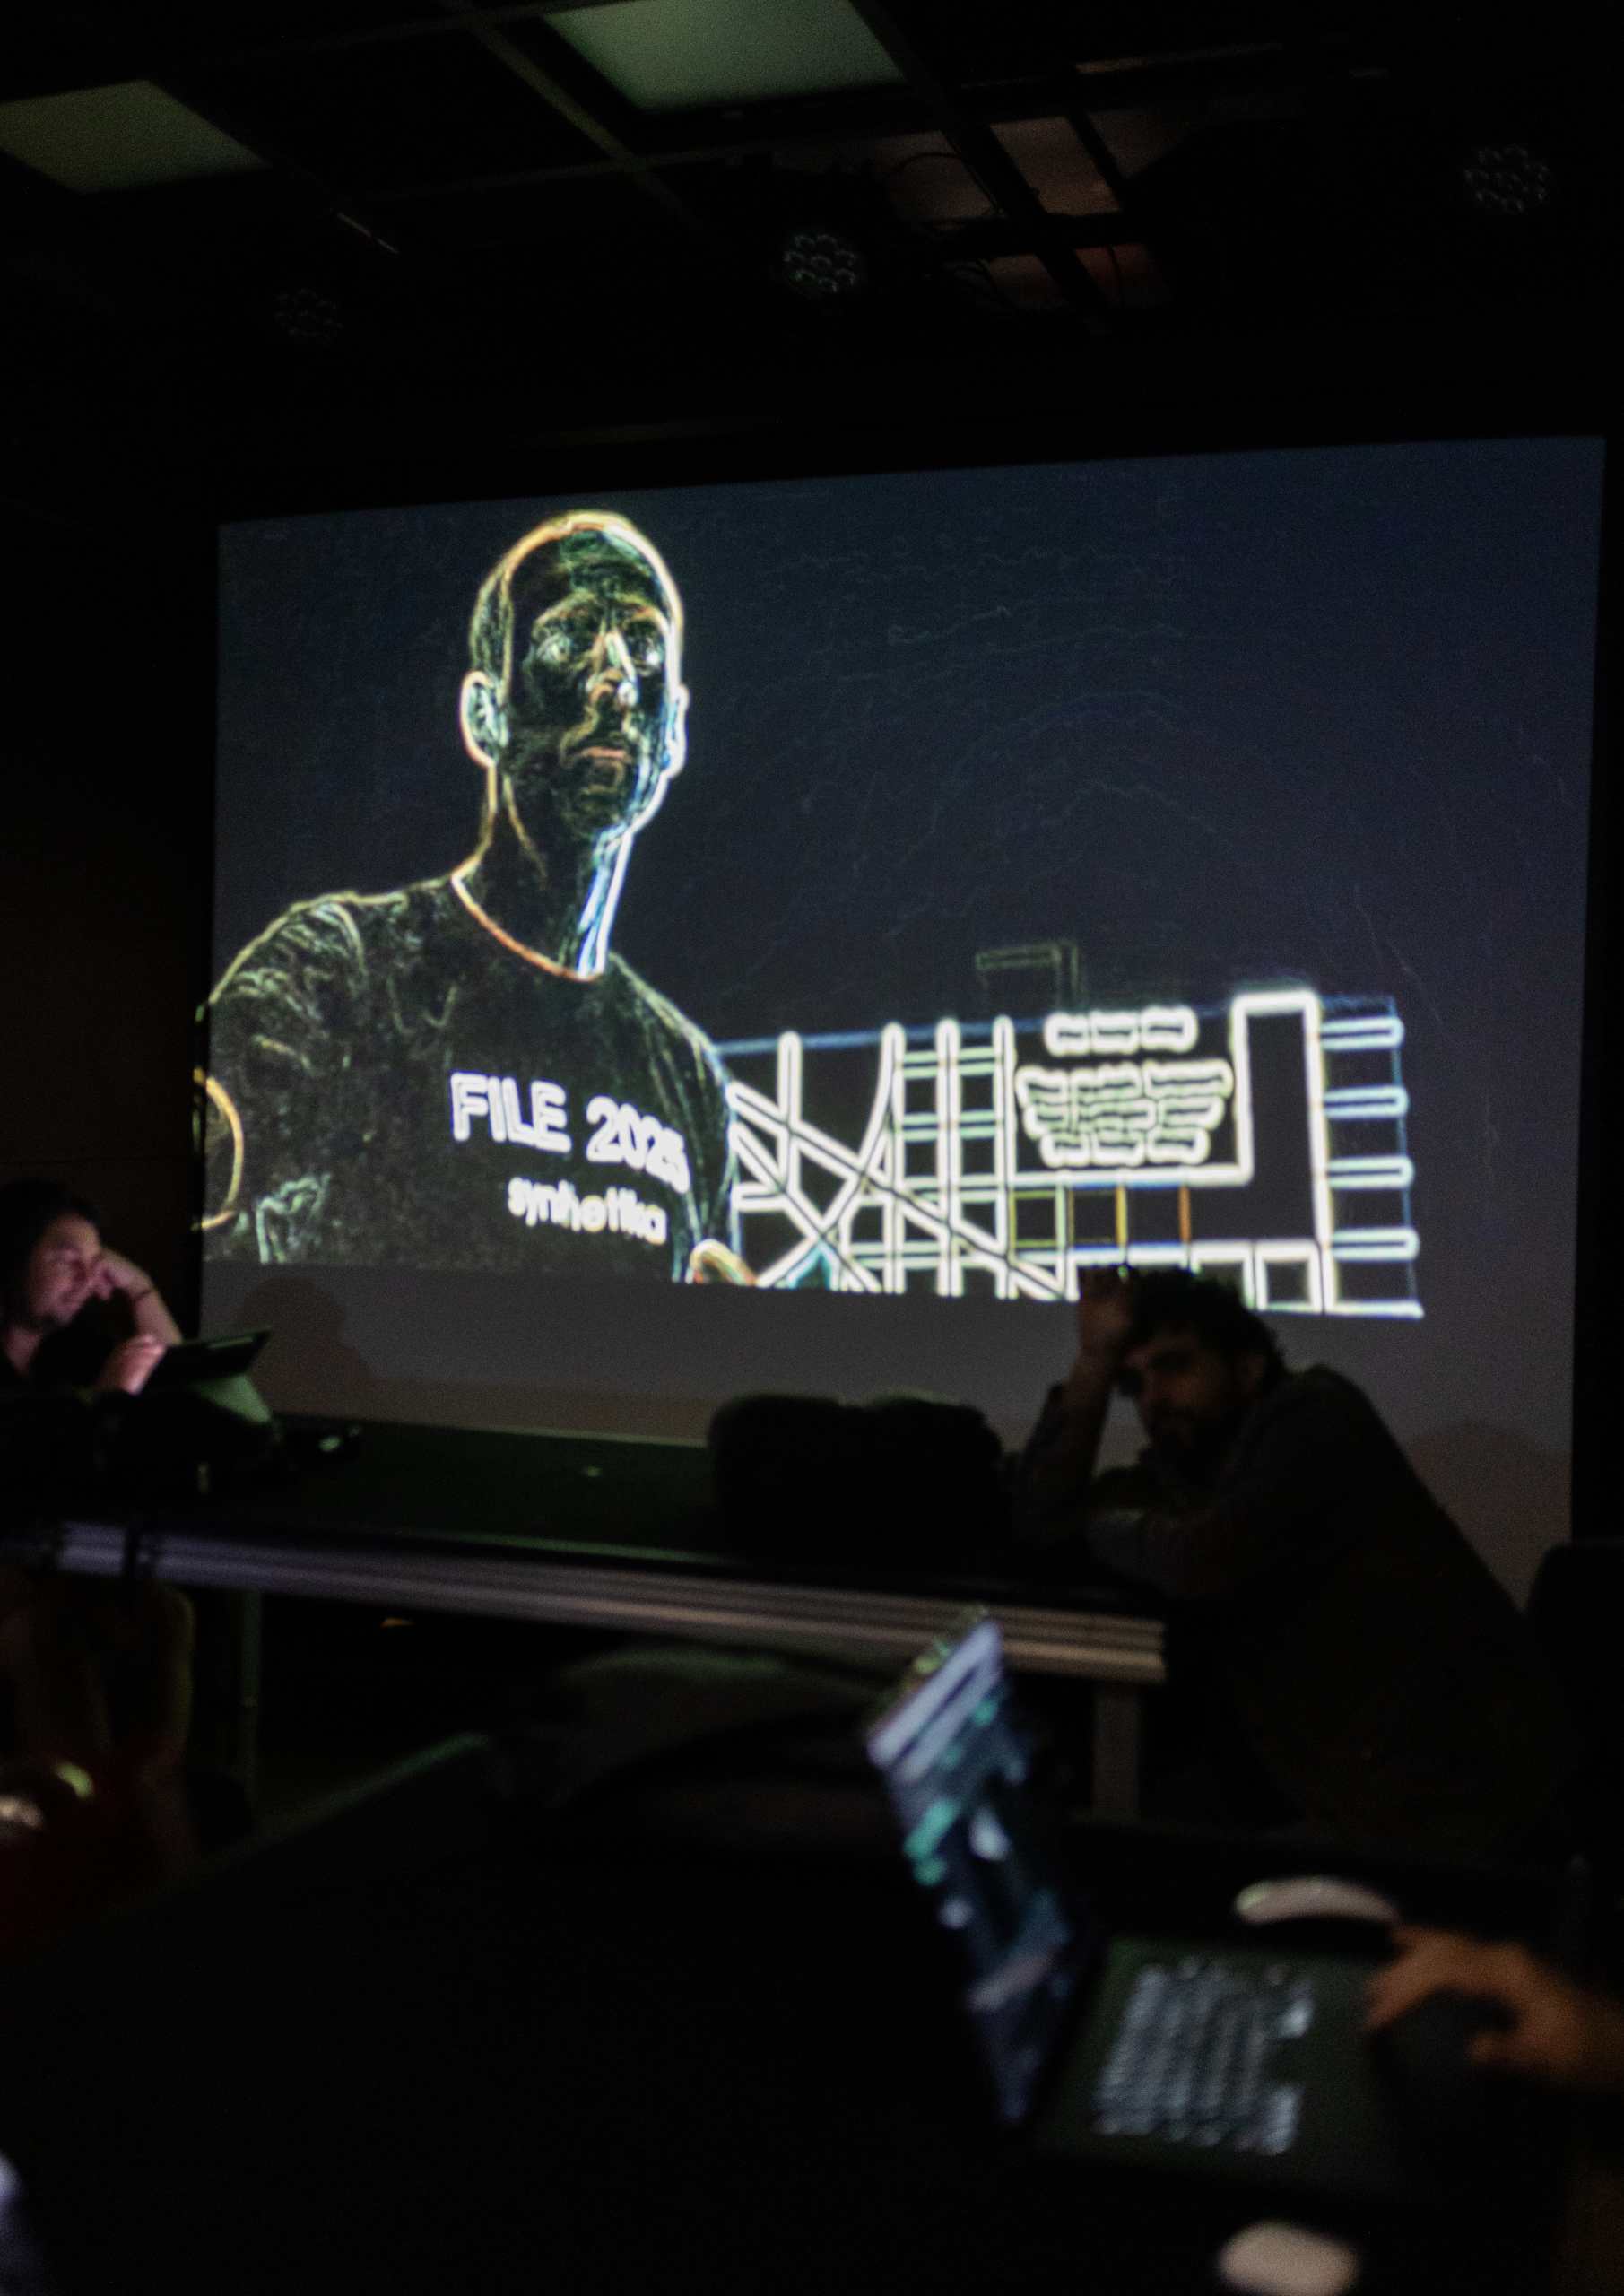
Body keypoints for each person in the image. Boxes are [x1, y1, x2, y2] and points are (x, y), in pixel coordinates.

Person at [204, 509, 743, 1283]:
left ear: (675, 731)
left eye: (645, 645)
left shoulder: (685, 1077)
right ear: (485, 715)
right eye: (567, 639)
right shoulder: (342, 974)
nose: (616, 680)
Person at [1015, 1267, 1579, 1858]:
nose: (1153, 1399)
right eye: (1133, 1384)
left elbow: (1200, 1559)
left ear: (1247, 1368)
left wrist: (1097, 1527)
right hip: (1363, 1806)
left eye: (1175, 1367)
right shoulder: (1184, 1476)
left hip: (1467, 1812)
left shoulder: (1315, 1413)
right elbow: (1042, 1522)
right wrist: (1093, 1362)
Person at [0, 1178, 180, 1399]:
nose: (87, 1281)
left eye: (94, 1264)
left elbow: (178, 1378)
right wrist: (105, 1401)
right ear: (13, 1258)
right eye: (67, 1260)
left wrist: (139, 1285)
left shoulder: (76, 1346)